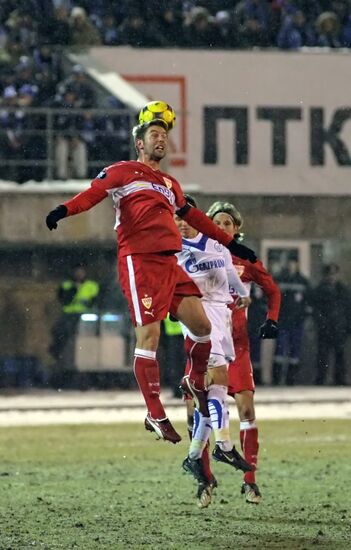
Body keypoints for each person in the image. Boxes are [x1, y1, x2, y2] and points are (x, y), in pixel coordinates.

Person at [45, 110, 257, 446]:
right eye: (154, 135)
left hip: (170, 265)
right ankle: (155, 412)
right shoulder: (122, 171)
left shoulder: (171, 184)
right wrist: (63, 210)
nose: (161, 139)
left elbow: (197, 218)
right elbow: (91, 194)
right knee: (149, 338)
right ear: (140, 144)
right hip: (139, 261)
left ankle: (195, 381)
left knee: (203, 328)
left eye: (164, 135)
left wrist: (232, 245)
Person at [175, 195, 252, 509]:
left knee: (214, 388)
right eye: (176, 216)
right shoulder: (172, 248)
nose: (180, 221)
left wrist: (243, 294)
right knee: (216, 381)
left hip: (221, 314)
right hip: (200, 316)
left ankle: (195, 455)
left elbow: (229, 270)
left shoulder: (215, 242)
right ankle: (223, 443)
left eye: (184, 215)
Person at [207, 200, 281, 504]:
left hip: (237, 348)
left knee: (247, 410)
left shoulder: (244, 259)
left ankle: (250, 480)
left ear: (237, 228)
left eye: (228, 223)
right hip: (206, 345)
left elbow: (273, 290)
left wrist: (271, 320)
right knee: (204, 414)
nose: (223, 227)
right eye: (218, 222)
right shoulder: (197, 252)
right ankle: (204, 477)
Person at [49, 264, 100, 387]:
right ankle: (60, 357)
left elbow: (97, 301)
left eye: (81, 272)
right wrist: (74, 289)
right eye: (77, 272)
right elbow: (63, 300)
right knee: (60, 335)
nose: (79, 274)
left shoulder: (92, 286)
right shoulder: (66, 285)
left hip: (87, 319)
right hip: (69, 317)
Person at [272, 255, 310, 386]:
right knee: (280, 351)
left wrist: (304, 316)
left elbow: (308, 301)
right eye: (290, 263)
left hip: (297, 322)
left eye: (294, 263)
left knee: (295, 351)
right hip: (282, 321)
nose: (291, 266)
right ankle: (276, 380)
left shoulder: (303, 281)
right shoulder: (279, 279)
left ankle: (291, 380)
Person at [312, 264, 351, 385]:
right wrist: (321, 322)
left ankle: (339, 379)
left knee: (340, 354)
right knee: (323, 354)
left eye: (334, 274)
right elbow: (315, 309)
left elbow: (348, 309)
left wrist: (347, 326)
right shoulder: (319, 290)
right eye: (330, 274)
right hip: (325, 327)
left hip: (340, 327)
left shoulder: (343, 290)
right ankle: (321, 378)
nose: (332, 277)